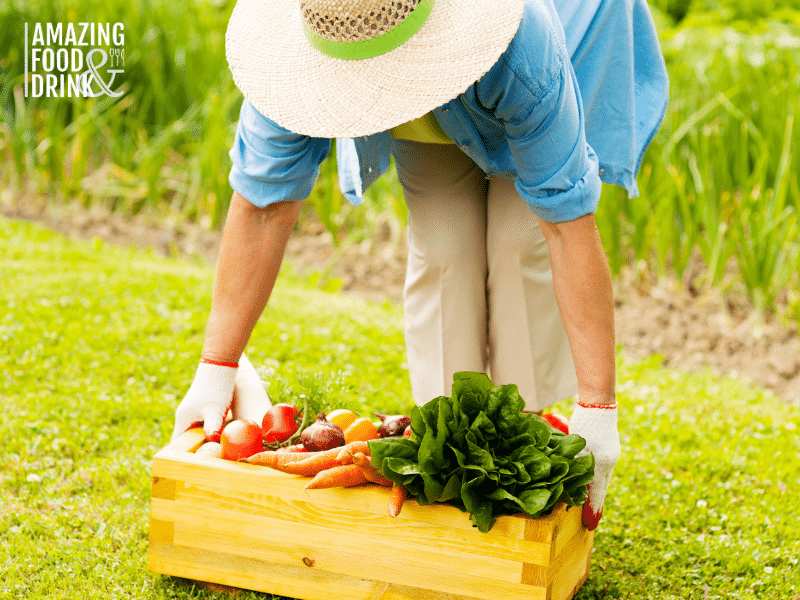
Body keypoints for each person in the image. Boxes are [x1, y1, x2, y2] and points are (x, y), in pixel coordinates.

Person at [171, 0, 669, 531]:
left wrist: (598, 411)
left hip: (560, 39)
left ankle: (519, 430)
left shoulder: (525, 44)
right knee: (443, 242)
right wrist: (216, 367)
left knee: (518, 239)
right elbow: (263, 207)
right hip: (430, 87)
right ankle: (454, 440)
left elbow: (565, 228)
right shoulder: (303, 43)